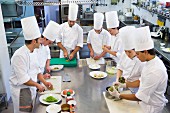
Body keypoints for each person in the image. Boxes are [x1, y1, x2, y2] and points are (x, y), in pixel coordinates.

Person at [109, 26, 168, 113]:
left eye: (137, 53)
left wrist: (119, 95)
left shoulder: (155, 71)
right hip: (142, 102)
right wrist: (124, 85)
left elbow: (140, 96)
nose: (136, 56)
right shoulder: (150, 62)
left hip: (151, 107)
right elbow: (141, 81)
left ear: (145, 52)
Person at [10, 16, 53, 113]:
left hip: (31, 88)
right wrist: (38, 85)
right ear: (34, 41)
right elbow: (24, 79)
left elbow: (37, 71)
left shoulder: (33, 51)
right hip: (22, 90)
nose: (41, 41)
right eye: (39, 39)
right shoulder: (19, 56)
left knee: (33, 109)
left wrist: (44, 83)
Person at [114, 26, 145, 93]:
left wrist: (125, 85)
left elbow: (142, 81)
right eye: (126, 51)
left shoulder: (142, 61)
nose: (127, 54)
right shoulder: (124, 54)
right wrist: (117, 79)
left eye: (130, 52)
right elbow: (120, 67)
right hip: (123, 84)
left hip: (137, 90)